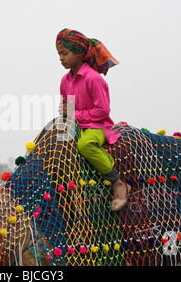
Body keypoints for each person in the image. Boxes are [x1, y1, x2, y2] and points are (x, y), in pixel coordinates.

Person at [56, 28, 131, 211]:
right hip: (75, 125)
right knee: (55, 145)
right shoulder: (65, 81)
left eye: (65, 53)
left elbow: (102, 110)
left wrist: (75, 115)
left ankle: (118, 184)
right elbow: (67, 108)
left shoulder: (93, 78)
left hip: (96, 126)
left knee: (85, 145)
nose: (61, 58)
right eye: (59, 54)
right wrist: (65, 114)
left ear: (79, 54)